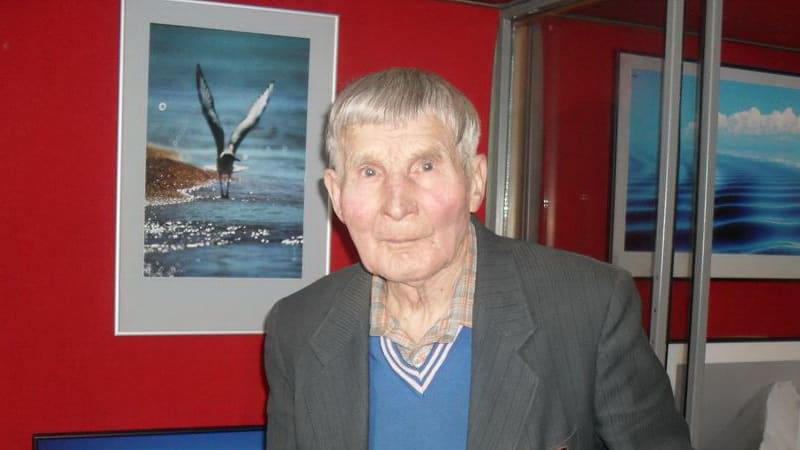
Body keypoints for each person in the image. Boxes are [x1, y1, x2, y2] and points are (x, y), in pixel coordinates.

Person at [264, 68, 692, 450]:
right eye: (370, 172)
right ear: (337, 195)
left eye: (425, 166)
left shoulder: (588, 306)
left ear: (475, 182)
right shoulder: (297, 326)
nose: (397, 205)